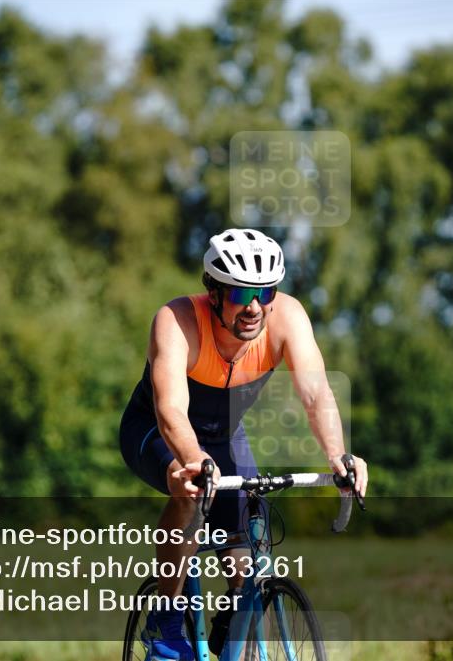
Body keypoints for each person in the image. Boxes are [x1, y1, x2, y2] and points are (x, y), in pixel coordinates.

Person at [119, 227, 368, 661]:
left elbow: (315, 392)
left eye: (265, 292)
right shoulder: (177, 320)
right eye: (240, 294)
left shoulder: (288, 318)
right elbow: (171, 409)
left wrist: (337, 455)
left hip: (225, 435)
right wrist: (194, 460)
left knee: (248, 543)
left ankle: (233, 618)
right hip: (157, 431)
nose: (254, 307)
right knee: (190, 492)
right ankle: (167, 621)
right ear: (213, 293)